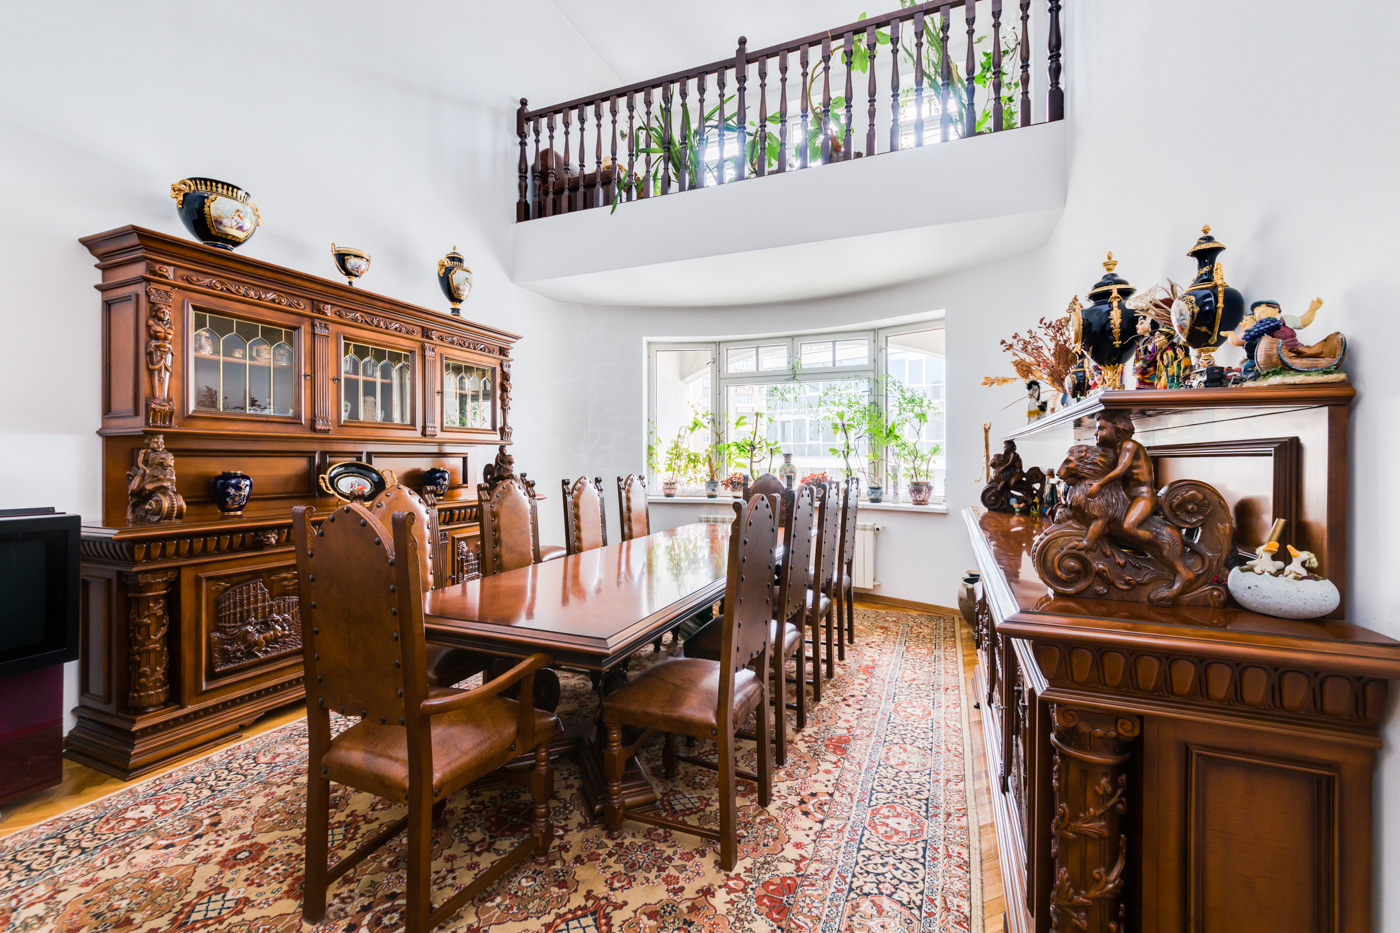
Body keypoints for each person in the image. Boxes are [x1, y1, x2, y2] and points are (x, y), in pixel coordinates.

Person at [1086, 411, 1157, 546]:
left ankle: (1160, 544)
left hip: (1143, 497)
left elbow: (1121, 470)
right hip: (1127, 498)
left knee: (1129, 527)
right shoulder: (1116, 448)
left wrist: (1099, 484)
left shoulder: (1128, 445)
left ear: (1118, 428)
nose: (1095, 433)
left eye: (1101, 428)